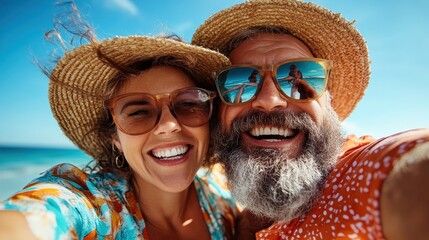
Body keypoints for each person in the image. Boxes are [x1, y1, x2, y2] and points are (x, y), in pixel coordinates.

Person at [192, 0, 429, 239]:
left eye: (298, 80)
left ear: (329, 104)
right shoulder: (232, 217)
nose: (270, 99)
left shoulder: (356, 179)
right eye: (240, 80)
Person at [0, 17, 239, 240]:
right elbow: (40, 214)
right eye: (139, 113)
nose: (168, 125)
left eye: (188, 104)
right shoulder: (93, 206)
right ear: (115, 137)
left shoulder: (223, 193)